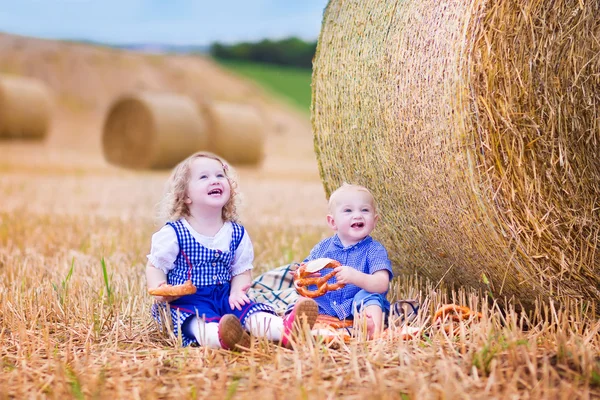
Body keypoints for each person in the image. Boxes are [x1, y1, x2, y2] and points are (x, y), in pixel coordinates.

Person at [146, 151, 318, 350]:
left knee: (252, 314)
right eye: (204, 177)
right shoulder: (174, 233)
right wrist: (160, 288)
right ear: (185, 196)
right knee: (198, 324)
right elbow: (155, 265)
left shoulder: (236, 232)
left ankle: (286, 329)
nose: (215, 180)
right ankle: (221, 337)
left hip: (226, 296)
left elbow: (241, 270)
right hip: (186, 301)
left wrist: (237, 290)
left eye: (220, 175)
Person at [303, 183, 393, 339]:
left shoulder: (374, 250)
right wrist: (303, 274)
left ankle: (372, 328)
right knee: (301, 300)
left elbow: (381, 283)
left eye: (365, 210)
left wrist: (355, 277)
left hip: (355, 305)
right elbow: (305, 273)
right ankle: (296, 323)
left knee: (370, 298)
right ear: (332, 222)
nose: (357, 215)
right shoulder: (321, 248)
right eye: (348, 210)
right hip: (326, 304)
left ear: (375, 220)